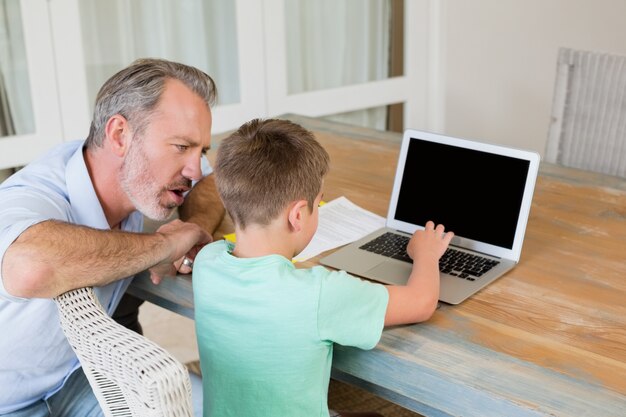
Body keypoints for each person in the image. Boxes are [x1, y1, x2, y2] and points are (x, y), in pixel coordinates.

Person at [0, 58, 225, 416]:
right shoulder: (32, 194)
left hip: (78, 375)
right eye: (182, 147)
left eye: (201, 150)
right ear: (120, 135)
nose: (194, 168)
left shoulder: (130, 176)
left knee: (222, 408)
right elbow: (28, 266)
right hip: (9, 403)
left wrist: (192, 225)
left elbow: (211, 179)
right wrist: (164, 246)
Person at [192, 118, 453, 417]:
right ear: (298, 215)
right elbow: (422, 303)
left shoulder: (207, 262)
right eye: (320, 202)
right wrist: (427, 253)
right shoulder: (320, 293)